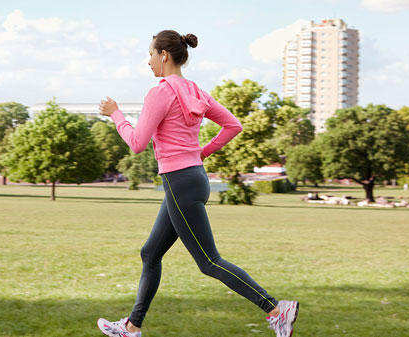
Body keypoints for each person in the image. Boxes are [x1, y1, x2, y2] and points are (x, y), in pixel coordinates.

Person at [98, 30, 299, 337]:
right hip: (193, 179)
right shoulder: (196, 91)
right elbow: (234, 125)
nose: (148, 61)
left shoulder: (160, 92)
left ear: (164, 55)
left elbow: (137, 143)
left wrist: (116, 116)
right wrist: (200, 152)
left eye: (151, 54)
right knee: (150, 253)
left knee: (208, 261)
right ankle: (131, 327)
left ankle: (275, 309)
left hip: (180, 182)